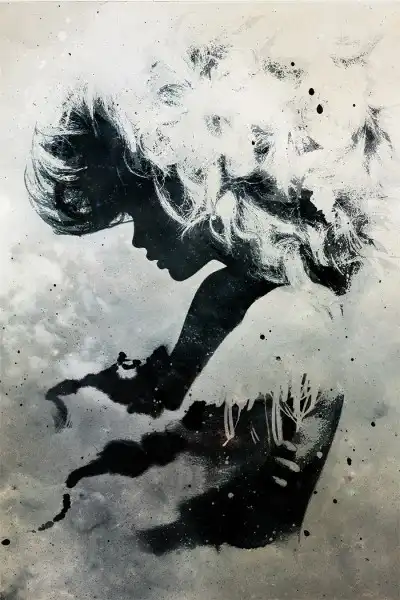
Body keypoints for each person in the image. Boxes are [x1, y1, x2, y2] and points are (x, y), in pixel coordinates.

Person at [25, 38, 384, 551]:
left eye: (136, 212)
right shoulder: (241, 287)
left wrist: (151, 535)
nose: (138, 240)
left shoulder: (311, 307)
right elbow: (172, 393)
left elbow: (267, 517)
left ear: (183, 184)